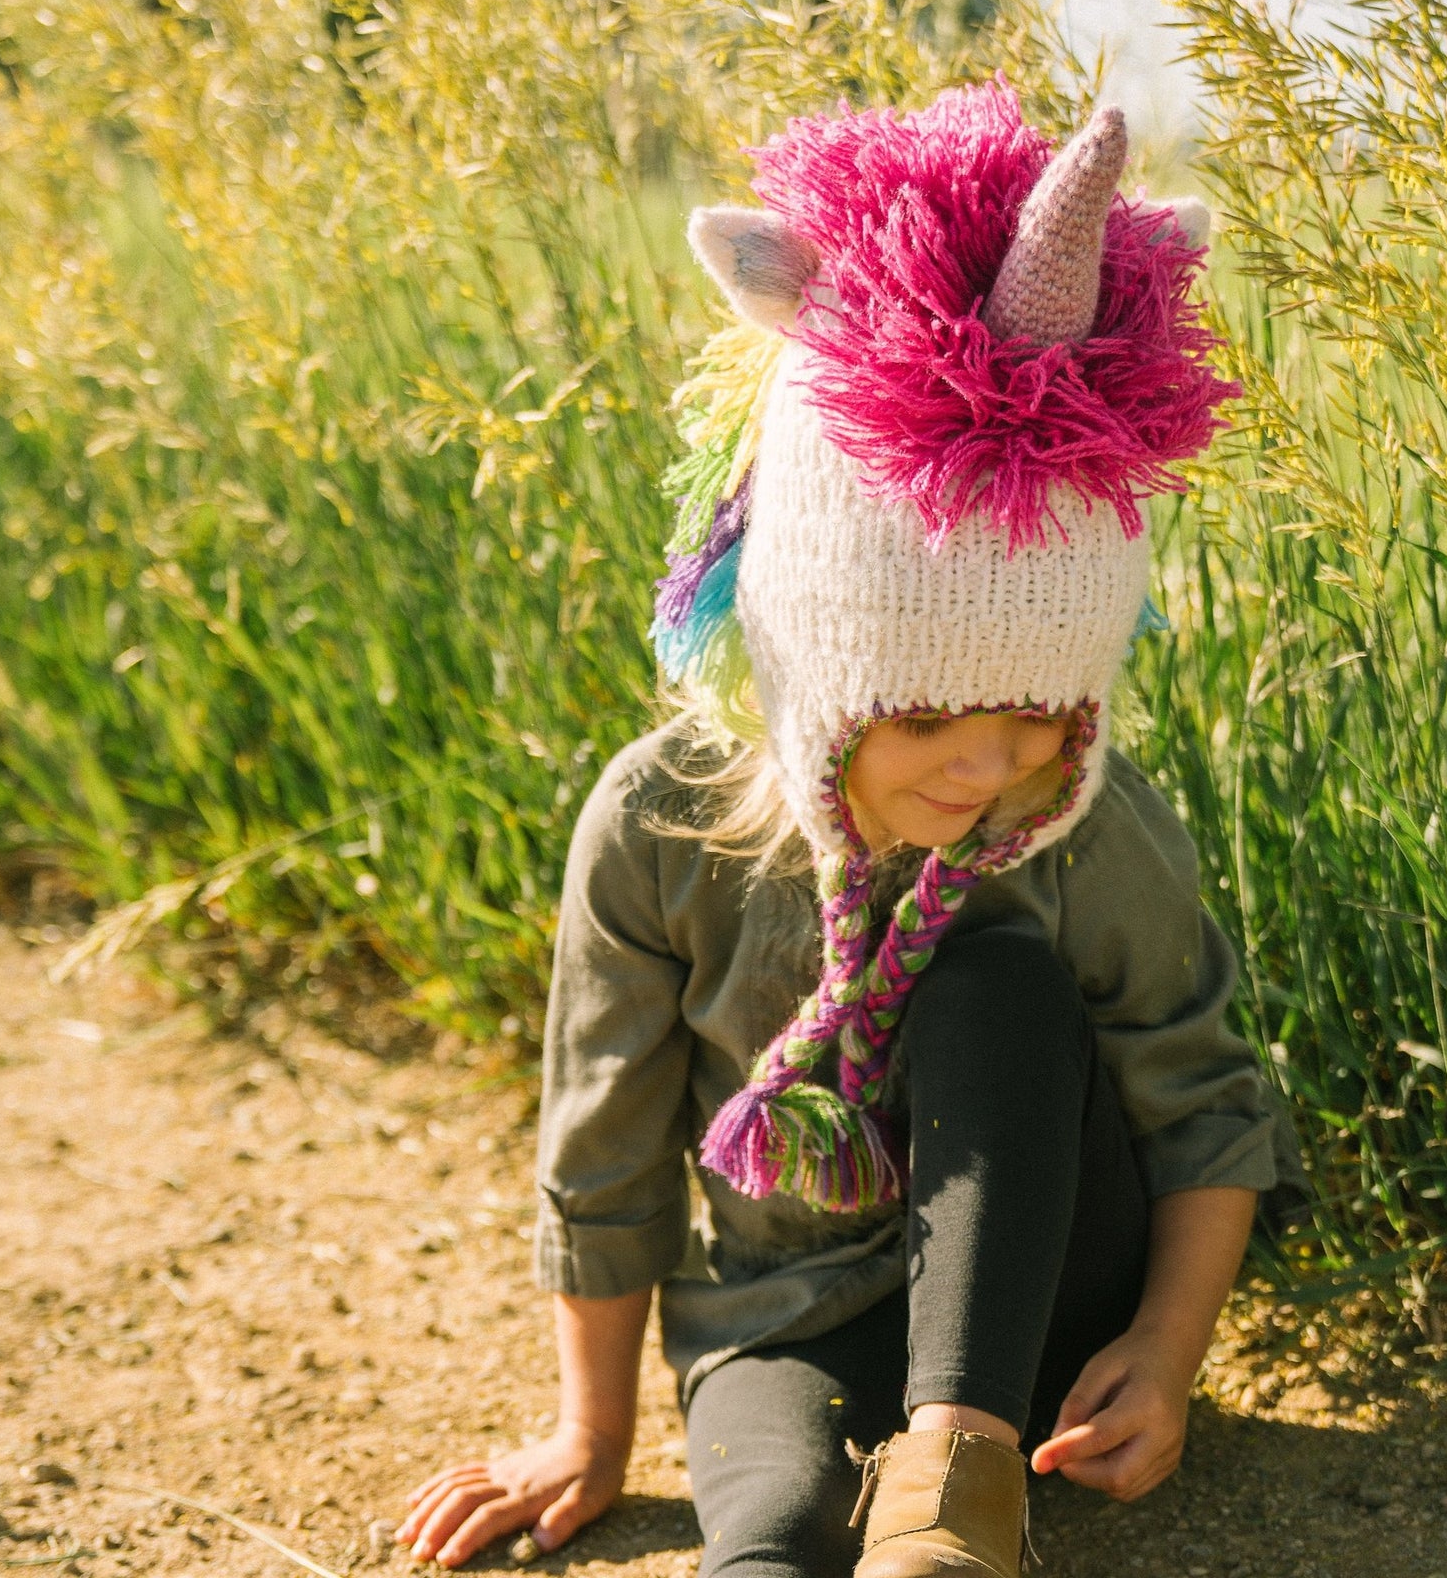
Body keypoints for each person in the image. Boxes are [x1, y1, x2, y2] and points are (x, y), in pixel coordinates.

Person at [395, 84, 1308, 1577]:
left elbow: (1201, 1091)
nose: (989, 762)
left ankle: (959, 1488)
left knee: (994, 978)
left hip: (1044, 1302)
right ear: (822, 668)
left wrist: (1166, 1347)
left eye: (1033, 711)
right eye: (931, 717)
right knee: (764, 1533)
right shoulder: (659, 824)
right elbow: (607, 1141)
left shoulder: (1077, 822)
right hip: (785, 1313)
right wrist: (589, 1434)